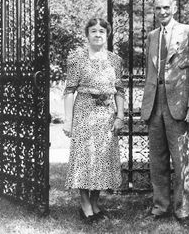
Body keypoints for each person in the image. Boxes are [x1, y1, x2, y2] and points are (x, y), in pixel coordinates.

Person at [141, 0, 189, 226]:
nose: (162, 12)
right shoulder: (151, 36)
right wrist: (145, 106)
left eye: (166, 7)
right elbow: (150, 74)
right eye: (158, 9)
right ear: (154, 11)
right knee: (157, 160)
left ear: (175, 8)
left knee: (180, 161)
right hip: (154, 106)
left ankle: (182, 210)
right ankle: (160, 206)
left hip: (179, 106)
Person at [62, 17, 125, 223]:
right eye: (93, 31)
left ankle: (96, 203)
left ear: (107, 35)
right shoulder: (77, 59)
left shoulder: (115, 60)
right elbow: (69, 91)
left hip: (106, 115)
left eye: (102, 31)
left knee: (103, 159)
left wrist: (120, 116)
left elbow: (120, 91)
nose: (98, 34)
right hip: (84, 113)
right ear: (87, 34)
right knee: (84, 158)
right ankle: (84, 204)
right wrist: (68, 121)